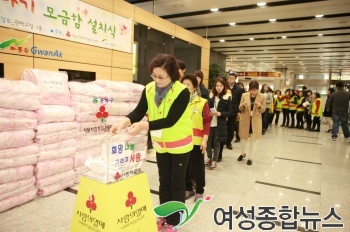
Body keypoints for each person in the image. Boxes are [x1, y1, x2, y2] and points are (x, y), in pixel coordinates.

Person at [110, 54, 192, 232]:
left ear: (172, 75)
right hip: (161, 145)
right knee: (164, 182)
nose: (157, 80)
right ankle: (164, 215)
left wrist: (142, 127)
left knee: (176, 184)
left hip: (179, 145)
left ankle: (174, 221)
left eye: (161, 76)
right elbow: (139, 111)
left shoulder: (182, 91)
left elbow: (170, 120)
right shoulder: (148, 89)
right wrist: (123, 122)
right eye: (153, 76)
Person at [181, 74, 211, 202]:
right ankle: (188, 189)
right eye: (183, 84)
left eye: (188, 85)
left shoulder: (202, 102)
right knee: (184, 166)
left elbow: (207, 121)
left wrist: (205, 140)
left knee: (198, 166)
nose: (185, 87)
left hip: (197, 141)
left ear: (194, 87)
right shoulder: (178, 103)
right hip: (181, 140)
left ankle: (200, 190)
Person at [237, 81, 266, 165]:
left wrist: (260, 106)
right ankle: (243, 153)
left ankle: (250, 157)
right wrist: (243, 106)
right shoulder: (244, 95)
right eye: (251, 90)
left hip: (256, 121)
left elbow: (263, 110)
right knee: (243, 138)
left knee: (254, 140)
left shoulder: (262, 96)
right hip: (245, 120)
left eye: (255, 90)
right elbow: (240, 107)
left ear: (258, 89)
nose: (253, 92)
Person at [205, 77, 232, 168]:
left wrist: (220, 113)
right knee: (208, 143)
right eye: (217, 86)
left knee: (217, 143)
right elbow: (206, 109)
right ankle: (209, 158)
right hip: (210, 122)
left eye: (221, 86)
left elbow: (230, 112)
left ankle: (214, 160)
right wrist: (210, 113)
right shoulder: (211, 96)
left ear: (224, 87)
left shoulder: (227, 97)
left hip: (219, 124)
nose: (219, 87)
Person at [226, 71, 243, 148]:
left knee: (231, 127)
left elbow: (240, 101)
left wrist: (239, 111)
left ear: (235, 79)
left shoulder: (239, 89)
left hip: (234, 111)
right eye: (229, 77)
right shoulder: (225, 87)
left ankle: (229, 142)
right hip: (225, 110)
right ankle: (223, 141)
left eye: (232, 78)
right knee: (224, 126)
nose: (231, 79)